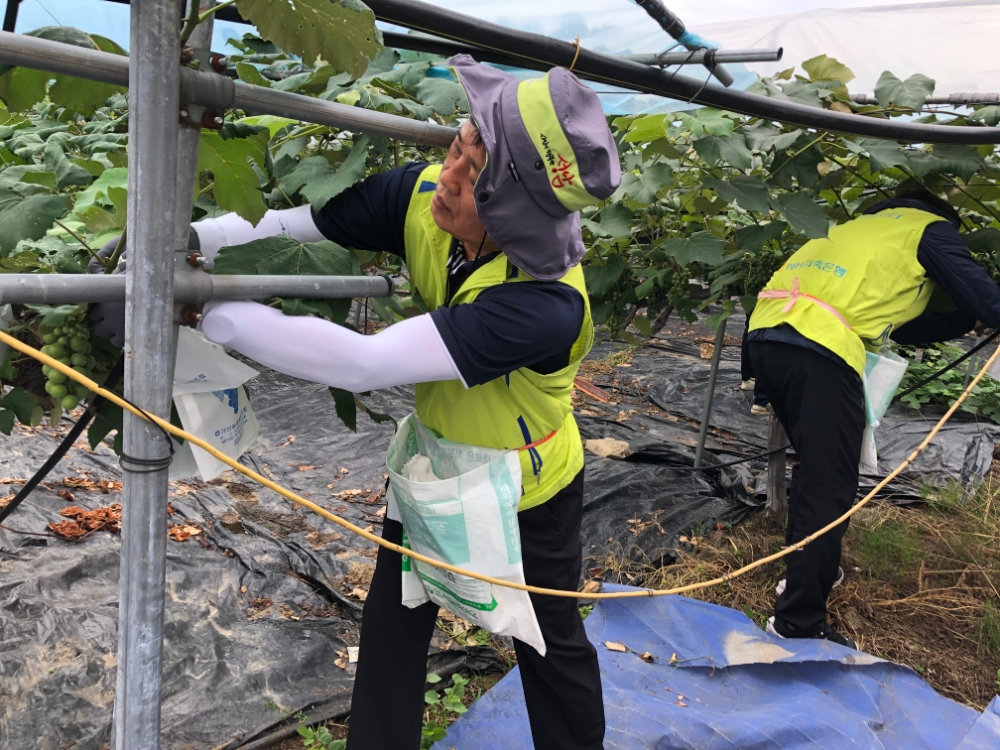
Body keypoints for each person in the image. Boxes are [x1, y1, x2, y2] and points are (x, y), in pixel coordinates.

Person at [90, 56, 620, 749]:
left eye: (478, 181)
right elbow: (298, 225)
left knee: (548, 641)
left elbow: (364, 364)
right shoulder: (422, 192)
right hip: (436, 466)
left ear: (519, 215)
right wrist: (193, 243)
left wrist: (195, 309)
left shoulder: (544, 304)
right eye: (459, 147)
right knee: (394, 626)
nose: (450, 180)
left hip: (528, 485)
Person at [747, 188, 1000, 648]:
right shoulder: (928, 230)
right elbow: (986, 298)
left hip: (767, 337)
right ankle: (797, 621)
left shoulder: (851, 231)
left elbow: (900, 323)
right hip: (821, 349)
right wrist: (983, 312)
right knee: (830, 485)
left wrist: (965, 323)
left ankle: (813, 568)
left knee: (817, 470)